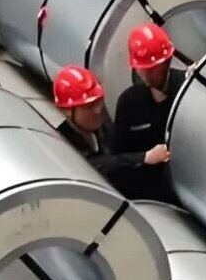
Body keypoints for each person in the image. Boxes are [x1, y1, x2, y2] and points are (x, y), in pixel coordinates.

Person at [52, 63, 163, 197]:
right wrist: (144, 157)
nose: (98, 110)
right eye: (90, 106)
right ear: (67, 111)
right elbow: (98, 164)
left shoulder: (97, 122)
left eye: (99, 101)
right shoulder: (64, 147)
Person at [107, 21, 183, 203]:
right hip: (149, 196)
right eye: (142, 68)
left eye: (153, 68)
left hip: (186, 187)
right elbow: (117, 159)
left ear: (166, 62)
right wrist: (145, 158)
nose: (147, 75)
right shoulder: (129, 102)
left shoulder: (186, 89)